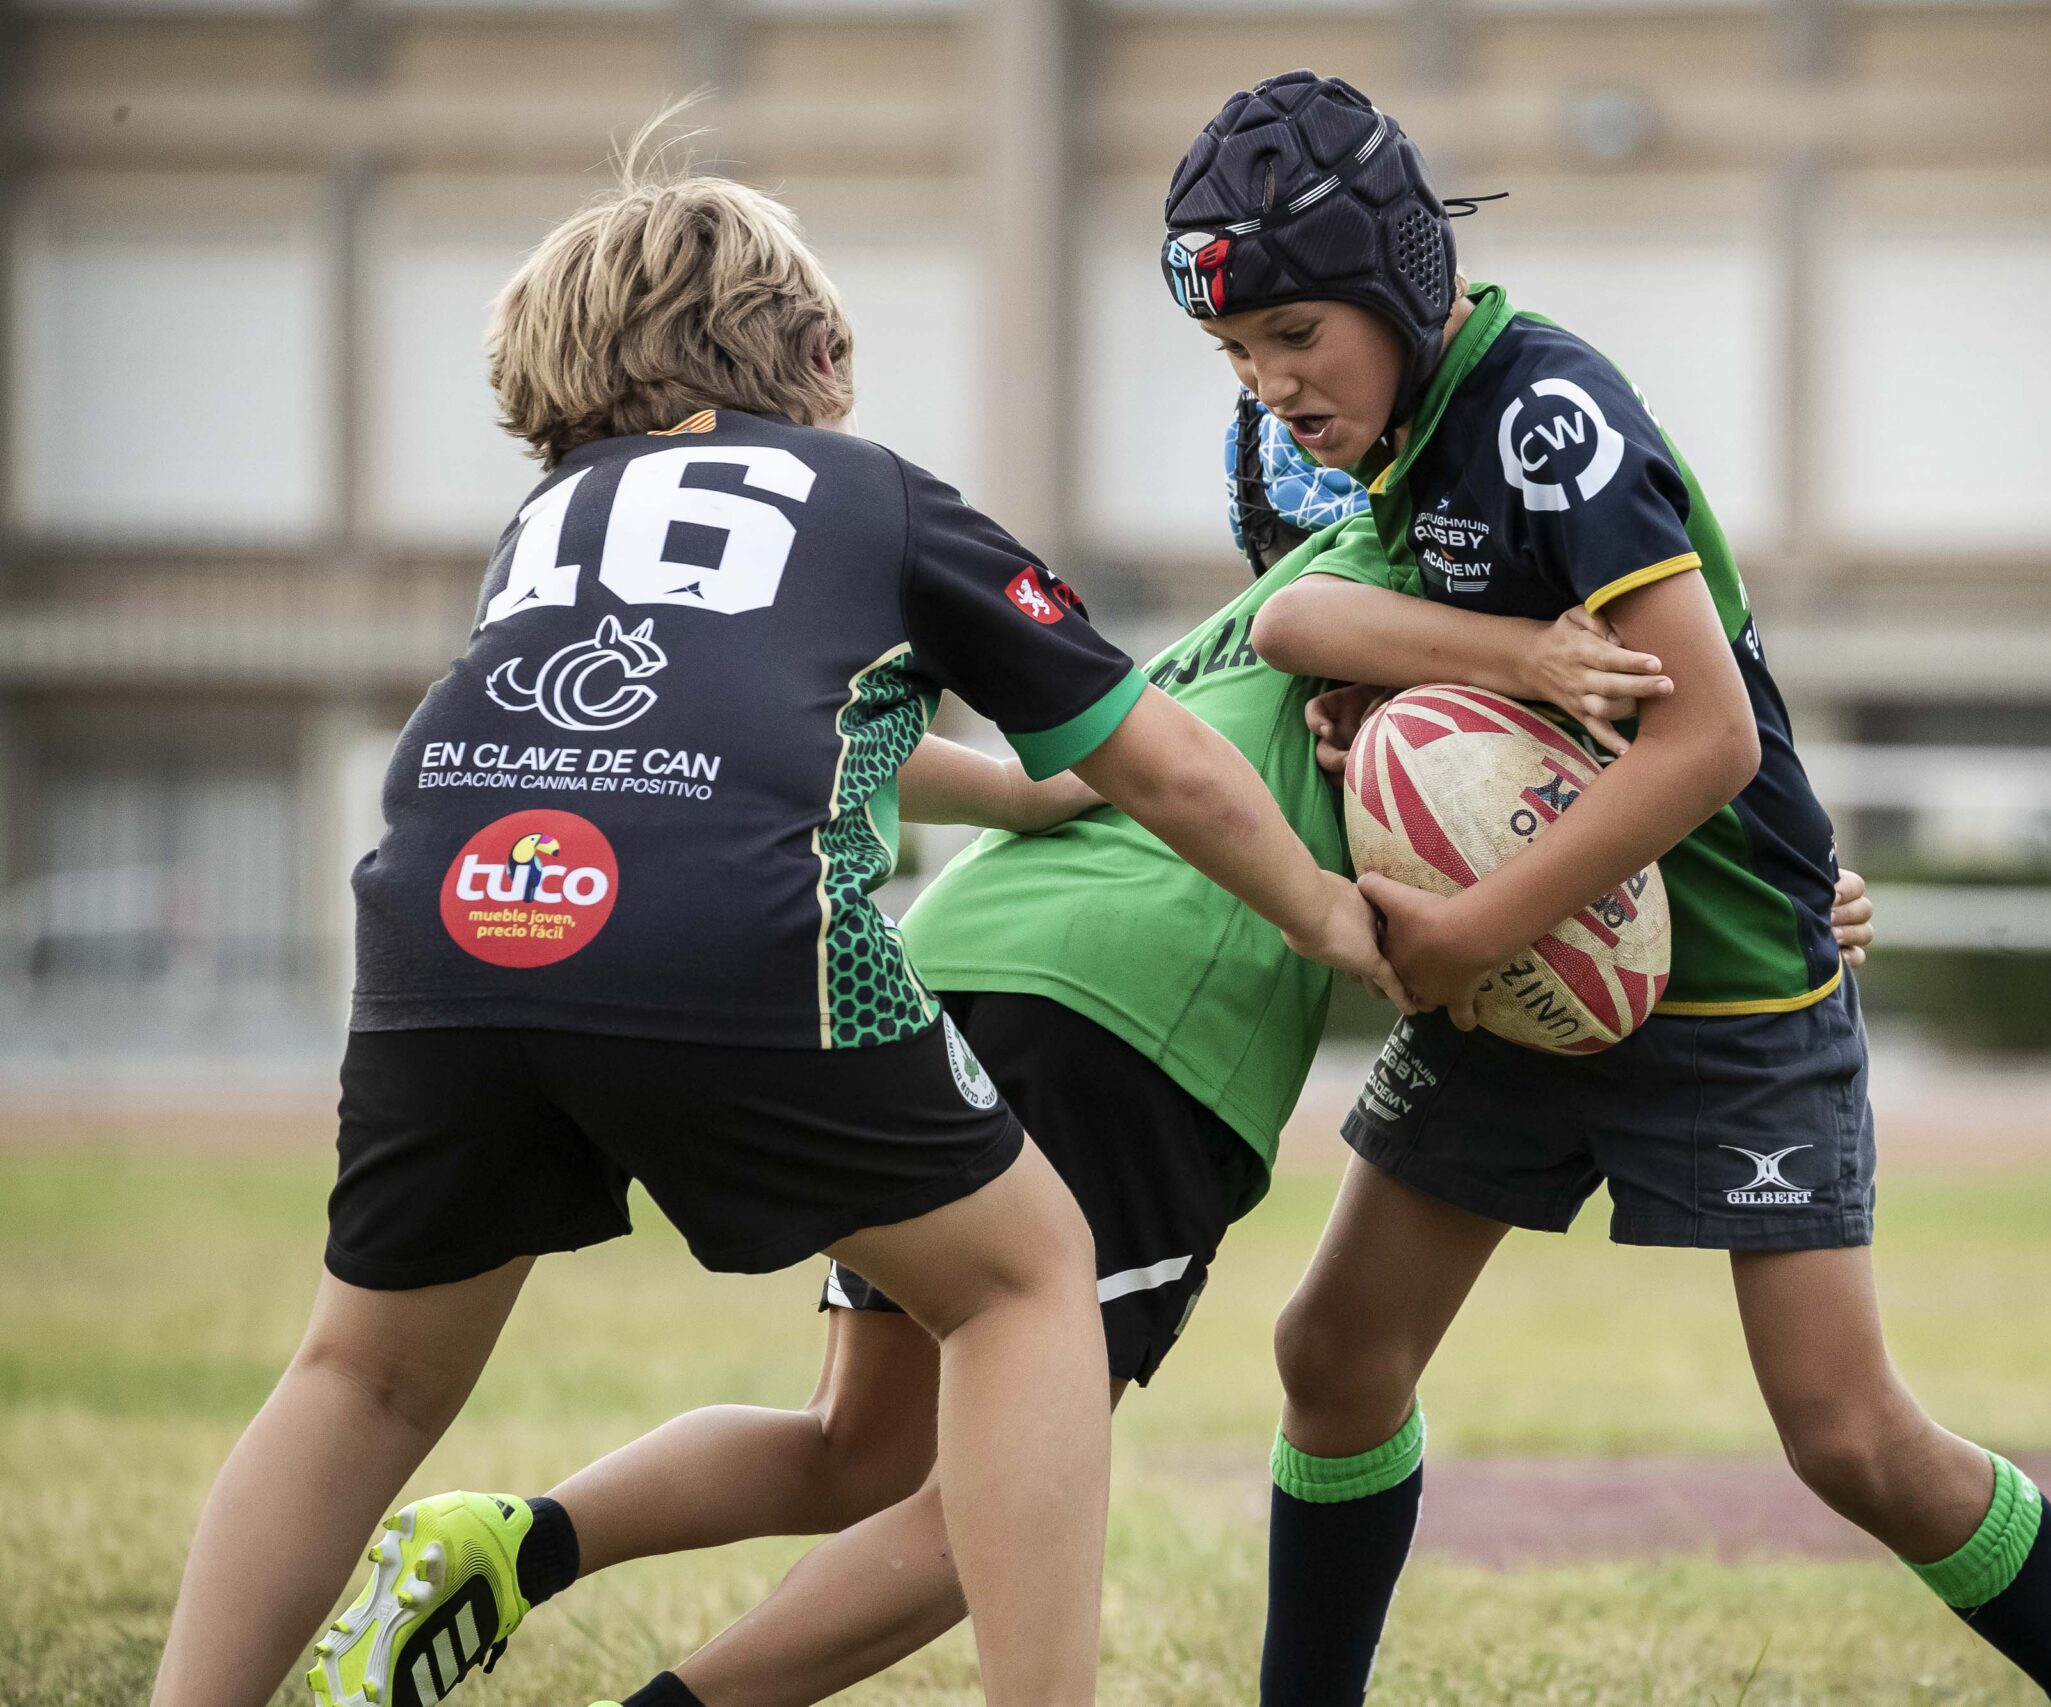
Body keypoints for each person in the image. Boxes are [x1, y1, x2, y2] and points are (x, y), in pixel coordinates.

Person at [277, 332, 1881, 1707]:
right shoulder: (1415, 583)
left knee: (863, 1444)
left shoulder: (1226, 649)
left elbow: (1044, 771)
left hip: (950, 959)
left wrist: (1810, 893)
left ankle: (512, 1539)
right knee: (1006, 1492)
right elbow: (1484, 742)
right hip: (1135, 1026)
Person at [151, 141, 1404, 1707]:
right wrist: (1328, 914)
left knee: (364, 1372)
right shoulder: (873, 492)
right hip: (720, 935)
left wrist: (1013, 805)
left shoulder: (552, 516)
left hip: (448, 917)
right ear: (819, 356)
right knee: (1025, 1287)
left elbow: (721, 728)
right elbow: (1158, 756)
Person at [1161, 70, 2051, 1707]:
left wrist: (1455, 932)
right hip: (1536, 975)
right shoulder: (1389, 459)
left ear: (1394, 278)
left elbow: (1710, 739)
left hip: (1723, 982)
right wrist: (1447, 709)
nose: (1272, 382)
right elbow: (1318, 635)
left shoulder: (1541, 409)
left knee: (1848, 1437)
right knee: (1335, 1353)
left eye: (1297, 332)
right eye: (1240, 355)